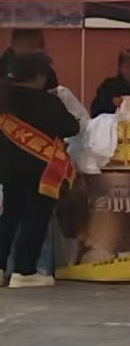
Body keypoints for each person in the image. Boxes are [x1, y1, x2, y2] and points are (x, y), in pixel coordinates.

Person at [0, 52, 80, 288]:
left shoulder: (4, 99)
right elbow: (71, 127)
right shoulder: (48, 102)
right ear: (38, 76)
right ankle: (24, 272)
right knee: (34, 219)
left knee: (9, 217)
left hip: (8, 170)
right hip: (41, 173)